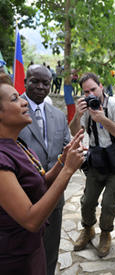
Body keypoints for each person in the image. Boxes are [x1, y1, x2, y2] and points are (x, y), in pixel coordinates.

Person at [0, 76, 84, 275]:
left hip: (32, 249)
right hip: (15, 257)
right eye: (14, 99)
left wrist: (62, 162)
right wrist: (68, 171)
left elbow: (38, 183)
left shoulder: (17, 145)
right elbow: (30, 219)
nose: (23, 101)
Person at [69, 73, 115, 257]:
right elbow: (76, 134)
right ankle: (88, 229)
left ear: (101, 86)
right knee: (87, 200)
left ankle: (105, 233)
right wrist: (78, 114)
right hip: (97, 159)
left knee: (109, 202)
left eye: (93, 89)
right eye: (86, 92)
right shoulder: (85, 109)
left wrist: (101, 118)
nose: (91, 95)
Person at [18, 65, 71, 275]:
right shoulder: (13, 110)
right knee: (23, 254)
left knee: (50, 252)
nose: (40, 87)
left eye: (45, 83)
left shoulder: (58, 116)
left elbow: (65, 148)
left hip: (54, 198)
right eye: (35, 81)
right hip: (22, 199)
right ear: (25, 81)